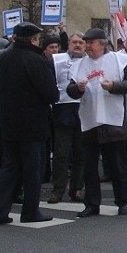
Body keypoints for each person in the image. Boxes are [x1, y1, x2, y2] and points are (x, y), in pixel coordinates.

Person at [0, 23, 60, 224]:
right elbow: (51, 94)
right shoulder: (37, 60)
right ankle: (30, 211)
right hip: (33, 123)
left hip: (8, 122)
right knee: (32, 170)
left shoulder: (2, 58)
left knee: (9, 166)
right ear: (33, 40)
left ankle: (0, 209)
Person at [67, 27, 127, 216]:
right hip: (89, 121)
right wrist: (78, 89)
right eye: (86, 43)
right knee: (90, 166)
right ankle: (92, 204)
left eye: (91, 43)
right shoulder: (79, 65)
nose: (87, 47)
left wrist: (114, 86)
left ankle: (123, 201)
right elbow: (70, 90)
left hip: (113, 120)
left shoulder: (119, 60)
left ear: (102, 44)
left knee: (117, 166)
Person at [49, 32, 86, 204]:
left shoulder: (90, 62)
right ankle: (58, 189)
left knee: (80, 154)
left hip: (84, 111)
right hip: (62, 110)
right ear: (68, 44)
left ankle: (77, 188)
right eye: (74, 42)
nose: (77, 45)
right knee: (61, 154)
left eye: (81, 42)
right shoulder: (57, 60)